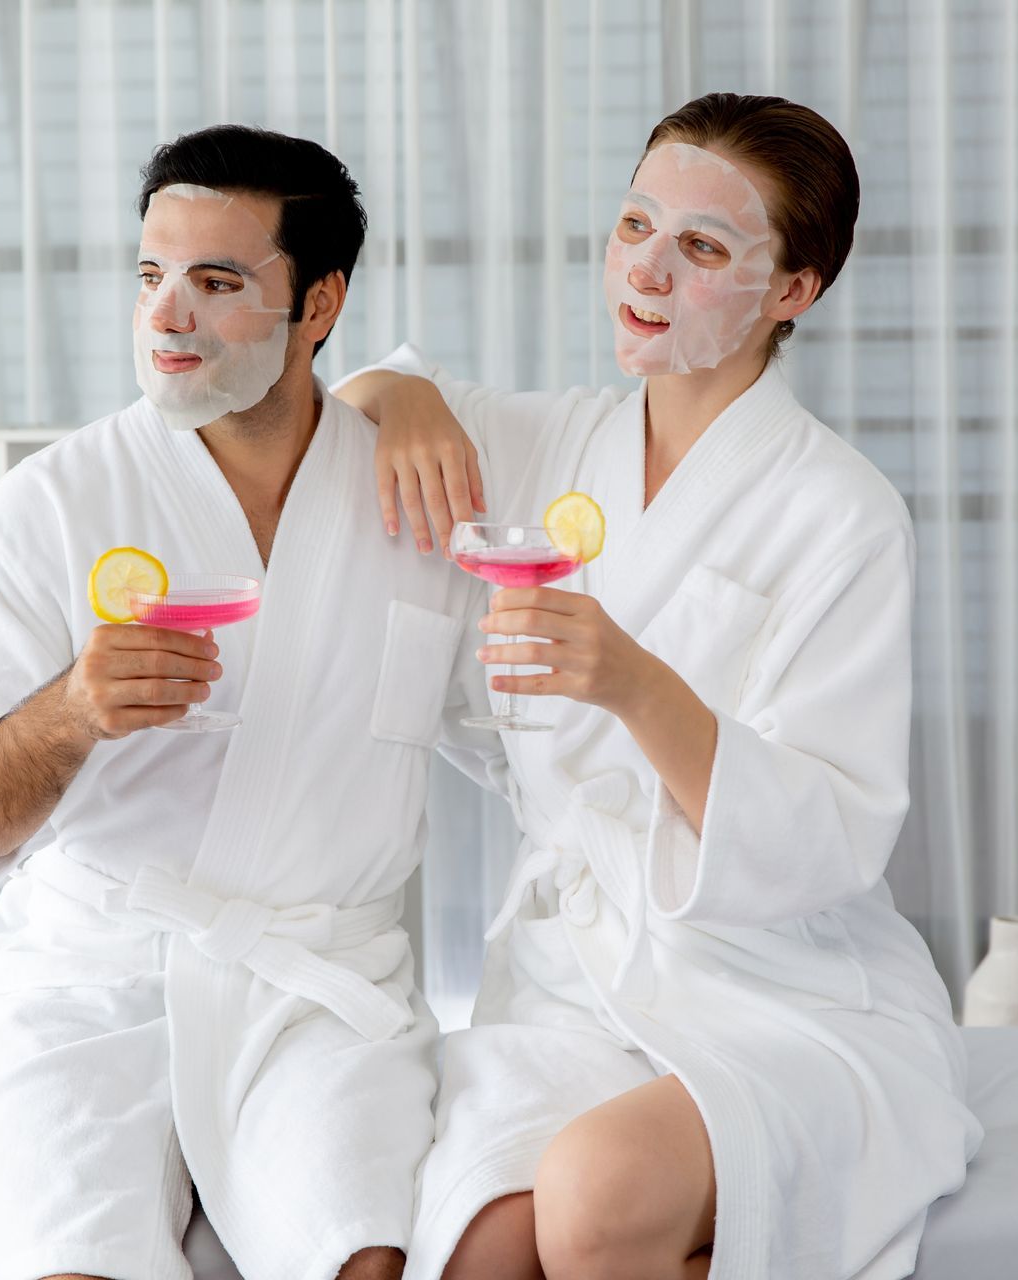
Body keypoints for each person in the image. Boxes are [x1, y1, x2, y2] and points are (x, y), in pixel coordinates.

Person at [338, 93, 982, 1280]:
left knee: (591, 1201)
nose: (646, 268)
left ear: (792, 289)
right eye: (636, 223)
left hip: (772, 981)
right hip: (573, 979)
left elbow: (834, 831)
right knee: (476, 1246)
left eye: (701, 248)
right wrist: (409, 396)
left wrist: (637, 684)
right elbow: (360, 396)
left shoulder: (839, 513)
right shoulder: (549, 443)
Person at [0, 125, 500, 1280]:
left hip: (318, 991)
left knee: (364, 1258)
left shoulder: (415, 503)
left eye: (218, 282)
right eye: (151, 275)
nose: (167, 315)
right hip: (91, 983)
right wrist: (71, 712)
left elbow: (533, 749)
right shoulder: (46, 510)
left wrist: (409, 391)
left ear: (320, 303)